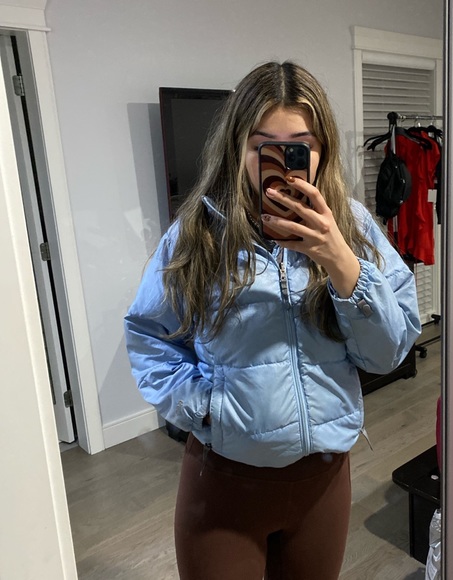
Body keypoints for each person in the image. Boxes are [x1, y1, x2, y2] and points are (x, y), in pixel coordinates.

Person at [124, 60, 421, 580]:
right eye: (264, 147)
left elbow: (387, 354)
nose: (283, 164)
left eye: (299, 147)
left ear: (322, 149)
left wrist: (341, 261)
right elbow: (150, 337)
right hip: (224, 485)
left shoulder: (354, 230)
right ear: (238, 148)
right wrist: (209, 409)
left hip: (323, 484)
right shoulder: (197, 234)